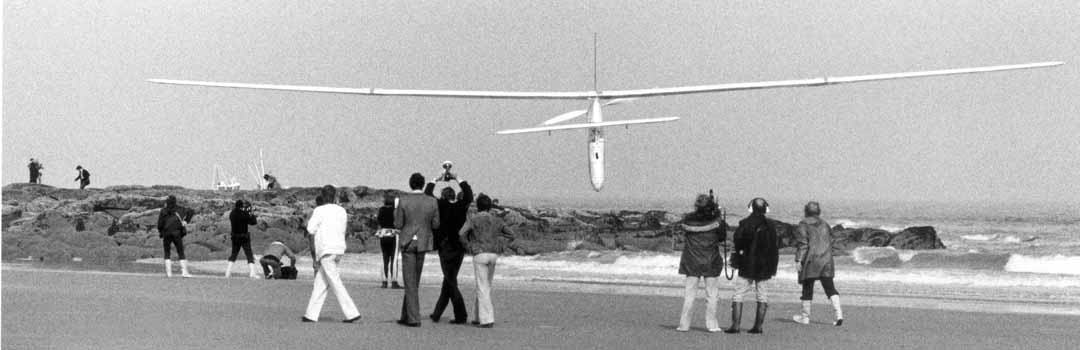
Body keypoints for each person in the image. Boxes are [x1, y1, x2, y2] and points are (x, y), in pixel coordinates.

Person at [302, 185, 362, 323]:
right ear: (335, 196)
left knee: (335, 282)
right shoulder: (341, 210)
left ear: (322, 196)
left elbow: (310, 229)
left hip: (326, 249)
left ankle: (352, 313)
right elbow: (344, 228)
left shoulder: (319, 210)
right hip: (339, 248)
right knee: (321, 282)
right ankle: (311, 314)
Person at [458, 193, 514, 328]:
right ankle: (478, 316)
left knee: (482, 287)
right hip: (493, 254)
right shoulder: (497, 220)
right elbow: (511, 235)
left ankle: (487, 319)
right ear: (490, 207)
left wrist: (469, 246)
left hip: (479, 253)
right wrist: (502, 246)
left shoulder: (473, 219)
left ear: (478, 206)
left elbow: (461, 234)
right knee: (486, 286)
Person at [425, 167, 473, 324]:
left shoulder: (441, 205)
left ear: (443, 196)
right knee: (449, 280)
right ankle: (437, 314)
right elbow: (469, 193)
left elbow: (427, 194)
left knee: (450, 281)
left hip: (444, 246)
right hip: (459, 247)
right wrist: (458, 178)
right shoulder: (462, 206)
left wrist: (436, 179)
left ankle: (461, 315)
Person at [724, 197, 779, 334]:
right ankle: (758, 327)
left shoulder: (744, 223)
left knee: (738, 295)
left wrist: (735, 259)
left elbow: (738, 243)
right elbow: (775, 248)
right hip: (765, 266)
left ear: (751, 208)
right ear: (766, 208)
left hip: (747, 263)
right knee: (762, 295)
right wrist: (773, 267)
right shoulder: (771, 225)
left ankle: (735, 326)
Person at [675, 193, 728, 332]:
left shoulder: (687, 220)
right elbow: (722, 238)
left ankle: (683, 325)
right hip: (711, 260)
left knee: (689, 295)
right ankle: (712, 325)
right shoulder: (717, 221)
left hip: (691, 260)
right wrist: (718, 216)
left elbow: (686, 231)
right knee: (712, 295)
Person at [394, 172, 440, 327]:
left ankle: (413, 318)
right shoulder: (432, 201)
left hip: (408, 241)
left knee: (409, 281)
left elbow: (398, 223)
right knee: (414, 280)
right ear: (422, 184)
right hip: (423, 242)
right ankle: (405, 314)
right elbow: (436, 224)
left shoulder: (403, 200)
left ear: (410, 184)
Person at [792, 201, 844, 326]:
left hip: (811, 260)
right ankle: (839, 316)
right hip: (826, 260)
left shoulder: (803, 224)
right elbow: (832, 241)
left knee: (807, 288)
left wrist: (799, 260)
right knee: (830, 288)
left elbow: (803, 245)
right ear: (818, 211)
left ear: (806, 211)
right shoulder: (825, 224)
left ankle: (805, 317)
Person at [157, 195, 195, 278]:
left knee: (167, 253)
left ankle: (169, 273)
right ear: (175, 201)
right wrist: (186, 221)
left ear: (167, 202)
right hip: (177, 233)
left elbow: (160, 224)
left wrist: (160, 232)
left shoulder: (163, 210)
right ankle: (184, 272)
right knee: (180, 252)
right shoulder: (180, 209)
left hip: (166, 233)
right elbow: (191, 211)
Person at [226, 199, 260, 279]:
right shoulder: (244, 214)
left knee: (233, 254)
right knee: (249, 254)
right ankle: (252, 272)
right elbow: (253, 222)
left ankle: (227, 272)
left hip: (234, 237)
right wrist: (251, 213)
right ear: (242, 206)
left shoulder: (232, 214)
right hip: (244, 237)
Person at [374, 193, 402, 289]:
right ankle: (394, 281)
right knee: (394, 259)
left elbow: (378, 221)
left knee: (384, 258)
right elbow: (398, 222)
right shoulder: (395, 211)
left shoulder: (381, 210)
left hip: (383, 233)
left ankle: (384, 281)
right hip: (393, 234)